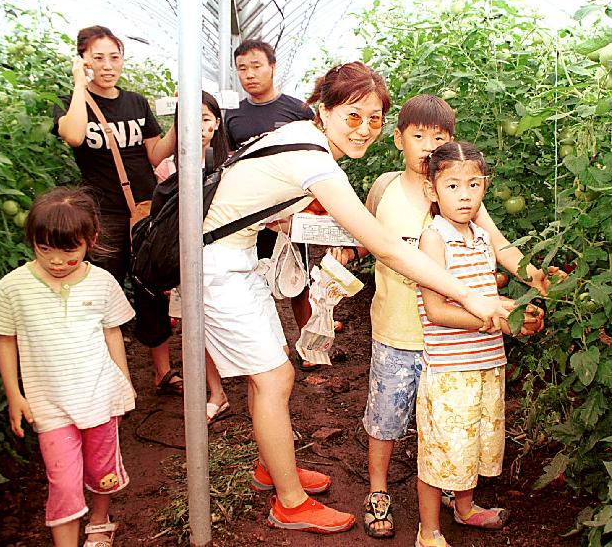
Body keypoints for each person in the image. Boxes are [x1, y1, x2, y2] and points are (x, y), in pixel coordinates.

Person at [199, 61, 509, 535]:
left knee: (273, 373)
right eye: (353, 116)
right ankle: (289, 502)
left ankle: (273, 467)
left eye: (374, 118)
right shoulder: (314, 158)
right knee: (276, 378)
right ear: (322, 109)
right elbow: (383, 243)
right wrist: (471, 295)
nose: (365, 129)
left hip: (235, 258)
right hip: (217, 264)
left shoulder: (303, 137)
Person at [357, 95, 551, 539]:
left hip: (455, 344)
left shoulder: (461, 196)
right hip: (399, 327)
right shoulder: (385, 188)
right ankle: (379, 491)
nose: (428, 145)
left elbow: (499, 246)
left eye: (439, 137)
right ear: (398, 139)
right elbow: (365, 236)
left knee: (452, 426)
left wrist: (535, 274)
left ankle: (458, 497)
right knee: (388, 416)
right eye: (418, 136)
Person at [0, 188, 137, 547]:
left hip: (99, 397)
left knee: (101, 470)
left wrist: (124, 382)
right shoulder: (14, 288)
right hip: (49, 404)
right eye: (44, 248)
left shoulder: (102, 283)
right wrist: (15, 394)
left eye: (68, 249)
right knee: (63, 480)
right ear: (32, 241)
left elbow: (112, 333)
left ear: (90, 240)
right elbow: (6, 339)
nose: (55, 260)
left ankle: (99, 521)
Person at [414, 141, 544, 547]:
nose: (465, 195)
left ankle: (465, 508)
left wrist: (517, 313)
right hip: (451, 371)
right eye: (453, 186)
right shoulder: (433, 239)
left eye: (474, 184)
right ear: (432, 190)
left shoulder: (482, 239)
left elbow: (486, 294)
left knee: (470, 443)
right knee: (440, 451)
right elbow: (436, 310)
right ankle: (428, 531)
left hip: (486, 363)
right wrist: (497, 323)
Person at [52, 25, 181, 397]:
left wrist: (179, 122)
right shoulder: (68, 103)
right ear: (83, 60)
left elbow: (155, 155)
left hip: (143, 209)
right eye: (98, 57)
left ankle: (162, 371)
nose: (108, 66)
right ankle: (104, 375)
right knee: (104, 289)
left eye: (115, 56)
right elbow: (75, 136)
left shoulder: (137, 103)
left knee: (151, 286)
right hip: (103, 213)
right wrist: (80, 85)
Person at [224, 40, 320, 369]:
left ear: (272, 67)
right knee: (256, 276)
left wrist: (310, 206)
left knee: (299, 278)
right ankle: (267, 348)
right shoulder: (233, 116)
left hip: (292, 211)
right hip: (250, 215)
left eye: (256, 66)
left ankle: (308, 346)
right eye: (242, 68)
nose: (249, 74)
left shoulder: (297, 111)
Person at [154, 91, 229, 423]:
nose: (199, 127)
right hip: (185, 259)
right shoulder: (168, 168)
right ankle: (216, 392)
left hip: (221, 258)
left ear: (216, 125)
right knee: (194, 327)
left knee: (216, 323)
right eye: (191, 118)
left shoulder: (228, 166)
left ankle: (230, 382)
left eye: (206, 119)